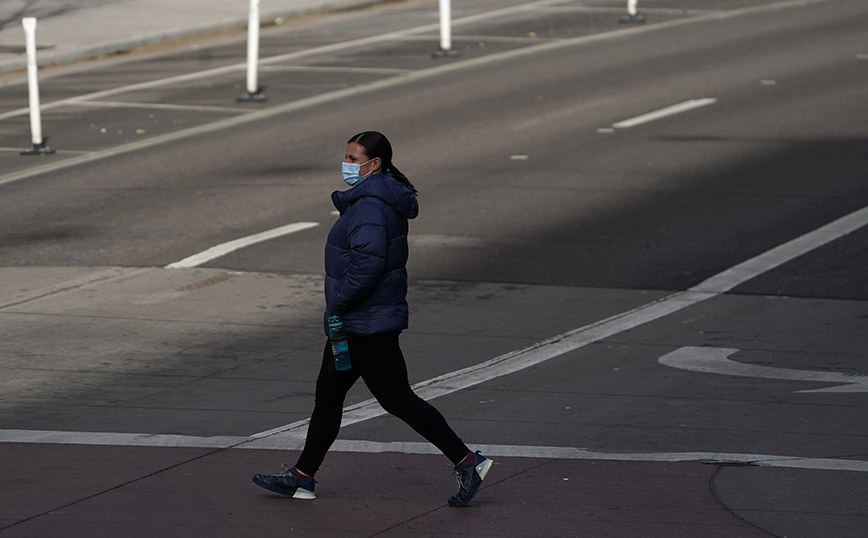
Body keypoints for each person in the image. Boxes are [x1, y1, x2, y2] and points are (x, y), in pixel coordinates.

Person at [252, 131, 493, 507]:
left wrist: (338, 304)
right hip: (359, 320)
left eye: (353, 158)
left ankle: (468, 461)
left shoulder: (369, 205)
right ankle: (301, 477)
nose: (346, 164)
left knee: (396, 398)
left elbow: (368, 265)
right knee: (329, 398)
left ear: (374, 163)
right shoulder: (378, 197)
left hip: (366, 321)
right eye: (346, 157)